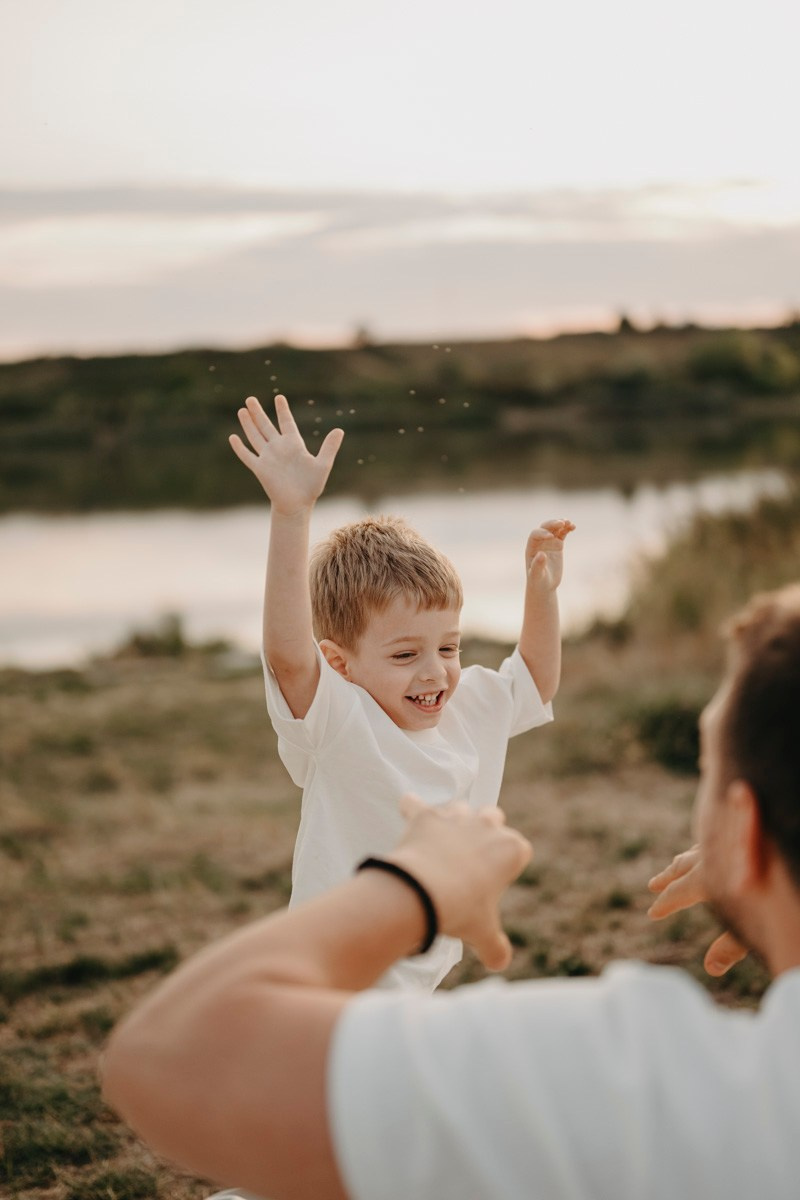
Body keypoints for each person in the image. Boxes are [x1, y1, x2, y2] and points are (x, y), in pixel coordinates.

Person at [102, 582, 800, 1199]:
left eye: (705, 765)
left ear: (743, 833)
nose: (434, 668)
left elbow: (171, 1057)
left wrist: (418, 884)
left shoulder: (630, 1077)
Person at [227, 393, 573, 990]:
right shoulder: (339, 719)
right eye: (405, 655)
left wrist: (541, 593)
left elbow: (534, 680)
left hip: (423, 967)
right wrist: (291, 514)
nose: (434, 673)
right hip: (337, 969)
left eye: (449, 648)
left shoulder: (464, 706)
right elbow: (288, 655)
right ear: (340, 664)